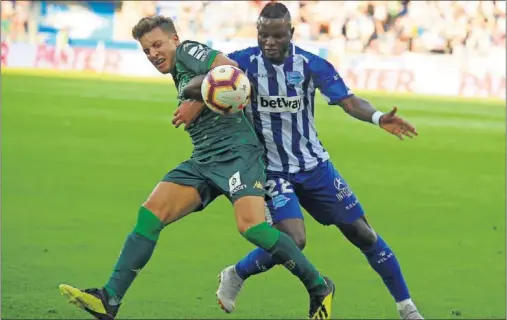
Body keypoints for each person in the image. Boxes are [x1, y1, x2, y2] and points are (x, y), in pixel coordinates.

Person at [57, 15, 335, 320]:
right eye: (146, 50)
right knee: (150, 216)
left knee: (252, 228)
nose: (153, 54)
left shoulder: (188, 51)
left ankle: (319, 286)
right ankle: (109, 299)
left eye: (157, 45)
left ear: (174, 40)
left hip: (237, 155)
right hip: (204, 159)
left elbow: (232, 71)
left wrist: (200, 100)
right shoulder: (178, 70)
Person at [181, 2, 423, 320]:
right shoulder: (240, 64)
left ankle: (407, 308)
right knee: (294, 239)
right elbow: (192, 84)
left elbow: (348, 101)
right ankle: (237, 274)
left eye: (277, 36)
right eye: (263, 35)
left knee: (363, 234)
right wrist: (203, 92)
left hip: (314, 166)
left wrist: (378, 118)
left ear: (291, 33)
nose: (269, 42)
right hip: (271, 170)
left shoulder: (310, 65)